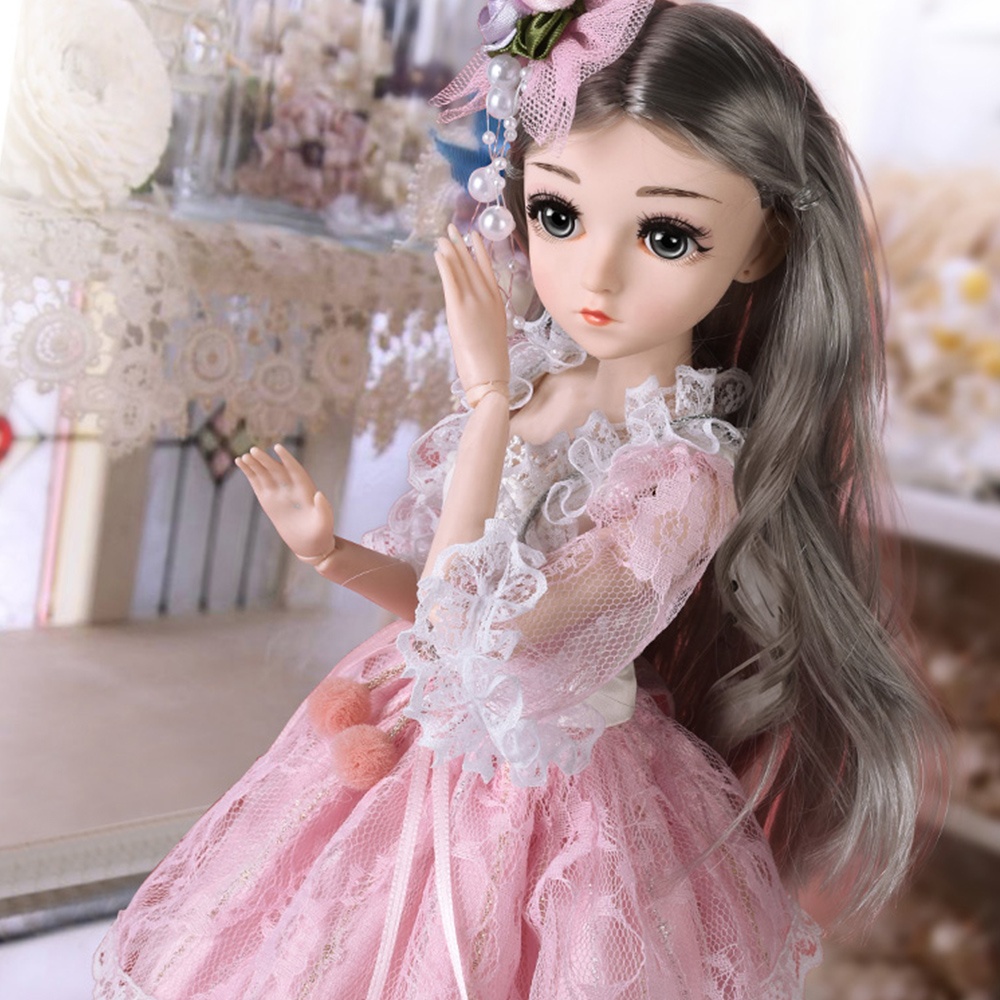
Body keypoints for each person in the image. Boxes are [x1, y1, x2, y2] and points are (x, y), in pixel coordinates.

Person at [93, 2, 947, 997]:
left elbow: (485, 634)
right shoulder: (538, 381)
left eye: (667, 234)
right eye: (558, 215)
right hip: (409, 737)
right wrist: (333, 554)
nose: (596, 274)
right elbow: (432, 613)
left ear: (759, 246)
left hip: (543, 794)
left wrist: (488, 407)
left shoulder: (679, 479)